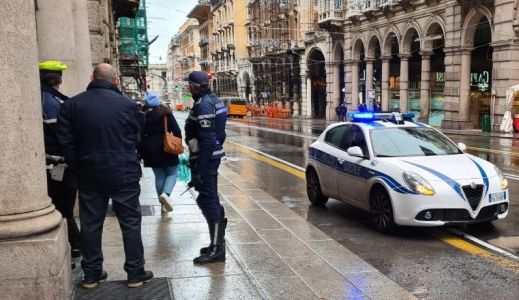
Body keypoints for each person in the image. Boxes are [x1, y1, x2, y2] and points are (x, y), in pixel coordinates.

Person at [57, 64, 153, 288]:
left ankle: (91, 274)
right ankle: (135, 274)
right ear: (116, 81)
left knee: (90, 223)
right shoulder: (129, 106)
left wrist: (78, 164)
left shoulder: (72, 105)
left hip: (89, 172)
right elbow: (138, 137)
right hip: (124, 172)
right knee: (130, 223)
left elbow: (66, 142)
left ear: (92, 78)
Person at [39, 60, 81, 261]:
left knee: (63, 206)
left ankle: (75, 244)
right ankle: (73, 246)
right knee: (64, 206)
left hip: (54, 163)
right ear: (60, 79)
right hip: (59, 164)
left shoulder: (47, 98)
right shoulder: (50, 101)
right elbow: (62, 135)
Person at [184, 71, 227, 264]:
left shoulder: (204, 105)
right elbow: (221, 134)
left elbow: (208, 140)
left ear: (193, 86)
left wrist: (199, 170)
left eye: (189, 85)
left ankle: (217, 248)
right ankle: (217, 241)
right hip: (209, 157)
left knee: (207, 200)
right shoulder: (214, 100)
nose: (188, 88)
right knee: (208, 199)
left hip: (205, 159)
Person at [139, 91, 182, 213]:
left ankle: (162, 204)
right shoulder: (166, 114)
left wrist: (141, 153)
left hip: (150, 149)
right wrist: (177, 144)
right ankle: (166, 194)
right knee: (172, 173)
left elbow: (139, 135)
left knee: (159, 176)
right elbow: (177, 131)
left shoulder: (143, 115)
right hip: (166, 146)